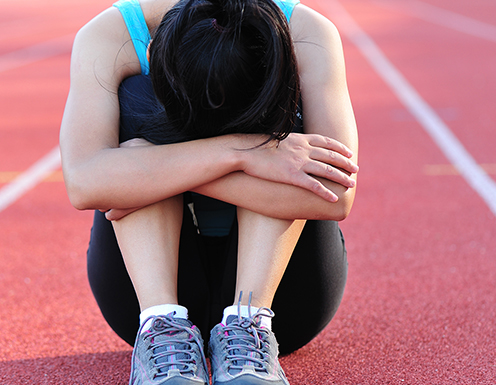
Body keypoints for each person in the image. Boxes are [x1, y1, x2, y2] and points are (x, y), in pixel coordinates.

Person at [59, 0, 358, 383]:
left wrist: (151, 163)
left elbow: (335, 191)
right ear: (155, 50)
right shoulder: (111, 36)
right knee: (136, 97)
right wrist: (244, 154)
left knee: (296, 126)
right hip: (140, 295)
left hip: (287, 301)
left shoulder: (307, 33)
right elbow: (84, 182)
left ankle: (250, 327)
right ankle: (162, 324)